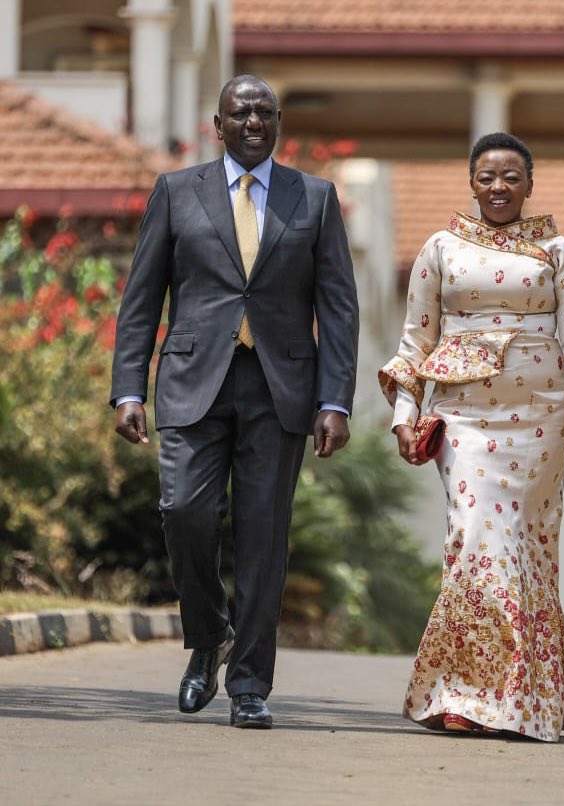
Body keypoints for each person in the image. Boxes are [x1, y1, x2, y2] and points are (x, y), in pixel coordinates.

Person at [111, 75, 359, 729]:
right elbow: (142, 297)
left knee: (262, 538)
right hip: (194, 381)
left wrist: (336, 399)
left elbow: (337, 308)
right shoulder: (176, 191)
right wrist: (129, 387)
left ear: (278, 123)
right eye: (239, 112)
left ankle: (249, 683)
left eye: (264, 112)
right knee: (183, 510)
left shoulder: (316, 197)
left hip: (280, 389)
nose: (252, 121)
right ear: (216, 125)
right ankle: (208, 633)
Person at [378, 132, 564, 742]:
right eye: (487, 176)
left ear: (530, 185)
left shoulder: (557, 251)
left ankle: (517, 696)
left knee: (523, 549)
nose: (499, 187)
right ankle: (466, 693)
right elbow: (416, 343)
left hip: (542, 421)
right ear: (471, 182)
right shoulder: (440, 249)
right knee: (477, 534)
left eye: (511, 176)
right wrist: (405, 413)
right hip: (463, 420)